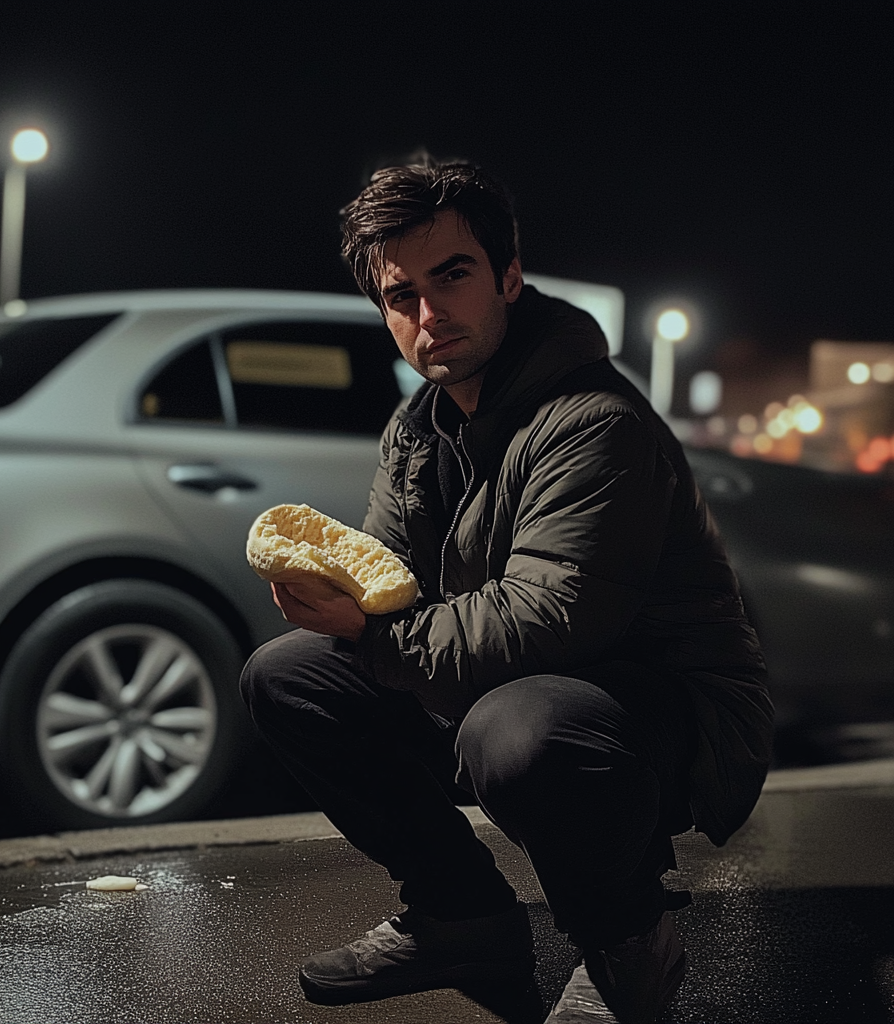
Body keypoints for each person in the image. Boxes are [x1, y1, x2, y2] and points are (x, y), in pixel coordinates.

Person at [240, 155, 773, 1023]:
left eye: (452, 277)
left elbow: (553, 613)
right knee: (289, 672)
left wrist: (376, 636)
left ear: (510, 277)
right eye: (400, 295)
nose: (428, 314)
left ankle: (629, 940)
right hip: (513, 676)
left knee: (520, 729)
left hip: (664, 708)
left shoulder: (594, 420)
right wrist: (337, 605)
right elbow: (388, 581)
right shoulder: (418, 427)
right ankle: (462, 917)